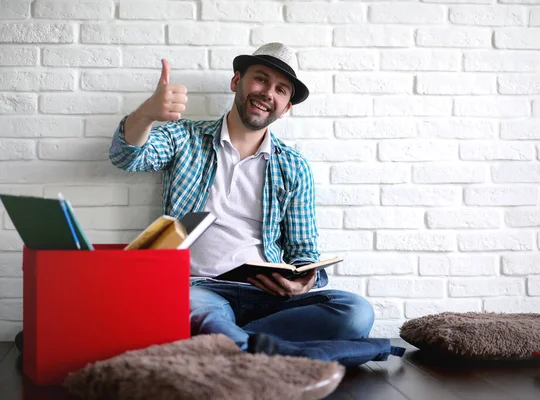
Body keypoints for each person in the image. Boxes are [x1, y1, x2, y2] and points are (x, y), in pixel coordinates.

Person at [109, 43, 375, 351]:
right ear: (237, 81)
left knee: (355, 313)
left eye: (281, 90)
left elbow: (303, 251)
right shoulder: (185, 138)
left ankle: (229, 346)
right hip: (196, 288)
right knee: (196, 311)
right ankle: (260, 349)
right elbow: (126, 157)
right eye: (260, 79)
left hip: (267, 297)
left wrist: (304, 282)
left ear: (286, 107)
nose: (268, 93)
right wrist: (146, 114)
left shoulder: (293, 166)